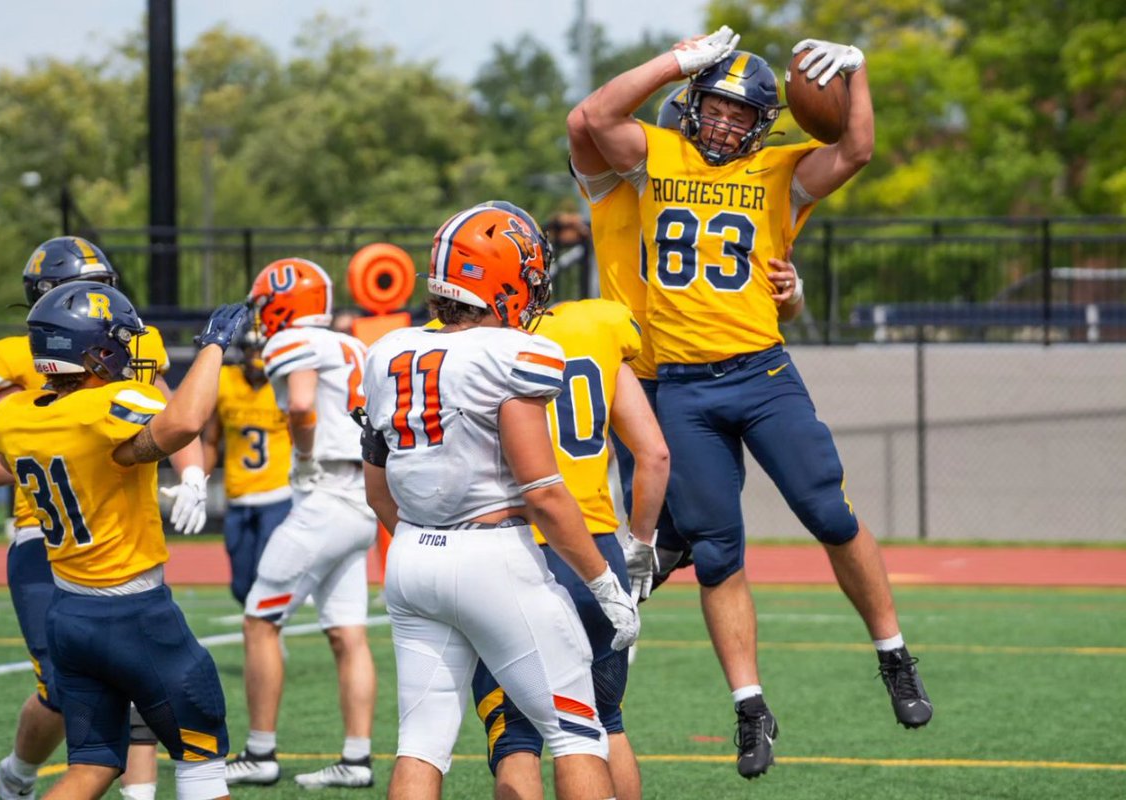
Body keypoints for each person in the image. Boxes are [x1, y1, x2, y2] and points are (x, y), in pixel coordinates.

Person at [582, 26, 931, 778]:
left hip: (762, 373)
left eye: (744, 116)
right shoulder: (655, 157)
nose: (727, 124)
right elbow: (597, 115)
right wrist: (678, 60)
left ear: (764, 126)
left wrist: (859, 74)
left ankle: (893, 654)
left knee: (828, 513)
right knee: (719, 555)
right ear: (692, 104)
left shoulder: (781, 171)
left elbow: (859, 151)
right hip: (679, 386)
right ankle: (750, 706)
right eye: (717, 107)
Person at [360, 203, 640, 800]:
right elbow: (542, 492)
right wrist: (604, 583)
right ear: (502, 280)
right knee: (577, 733)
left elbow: (375, 483)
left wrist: (422, 536)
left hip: (409, 557)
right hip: (491, 557)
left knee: (422, 743)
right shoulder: (514, 353)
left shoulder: (387, 352)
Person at [0, 236, 205, 800]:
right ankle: (19, 772)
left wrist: (192, 475)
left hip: (116, 527)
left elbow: (170, 414)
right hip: (47, 536)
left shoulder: (130, 344)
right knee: (62, 686)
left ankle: (135, 794)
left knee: (138, 674)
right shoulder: (20, 360)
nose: (100, 302)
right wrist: (65, 463)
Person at [569, 74, 807, 595]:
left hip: (691, 363)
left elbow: (769, 291)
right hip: (640, 367)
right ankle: (618, 596)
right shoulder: (615, 181)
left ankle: (634, 585)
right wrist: (676, 62)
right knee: (647, 521)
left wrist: (794, 295)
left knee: (705, 517)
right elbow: (586, 119)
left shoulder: (724, 192)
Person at [468, 282, 670, 798]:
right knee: (605, 721)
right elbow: (654, 456)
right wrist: (642, 542)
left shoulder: (461, 342)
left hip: (510, 546)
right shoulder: (597, 327)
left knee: (516, 735)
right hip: (595, 550)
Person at [225, 258, 378, 789]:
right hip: (362, 498)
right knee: (347, 633)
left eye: (266, 306)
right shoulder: (353, 343)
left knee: (259, 620)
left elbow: (303, 406)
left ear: (286, 302)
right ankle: (357, 759)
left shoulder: (296, 343)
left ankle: (260, 751)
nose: (262, 319)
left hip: (326, 498)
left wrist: (306, 456)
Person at [201, 330, 292, 606]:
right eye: (251, 350)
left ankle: (267, 636)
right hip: (238, 495)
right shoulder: (226, 381)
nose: (256, 357)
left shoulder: (284, 384)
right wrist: (198, 484)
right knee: (241, 586)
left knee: (268, 575)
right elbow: (210, 439)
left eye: (260, 350)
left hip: (277, 494)